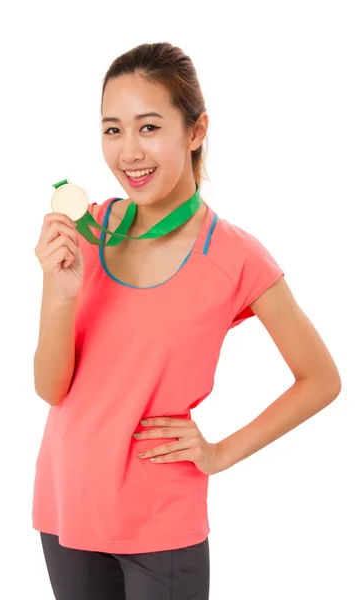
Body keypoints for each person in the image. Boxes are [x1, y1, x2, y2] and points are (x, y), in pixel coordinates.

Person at [32, 42, 342, 600]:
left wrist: (220, 453)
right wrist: (60, 293)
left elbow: (321, 379)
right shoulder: (84, 231)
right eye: (112, 130)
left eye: (148, 127)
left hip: (159, 523)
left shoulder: (233, 256)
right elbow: (51, 387)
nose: (128, 152)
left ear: (195, 131)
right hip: (65, 506)